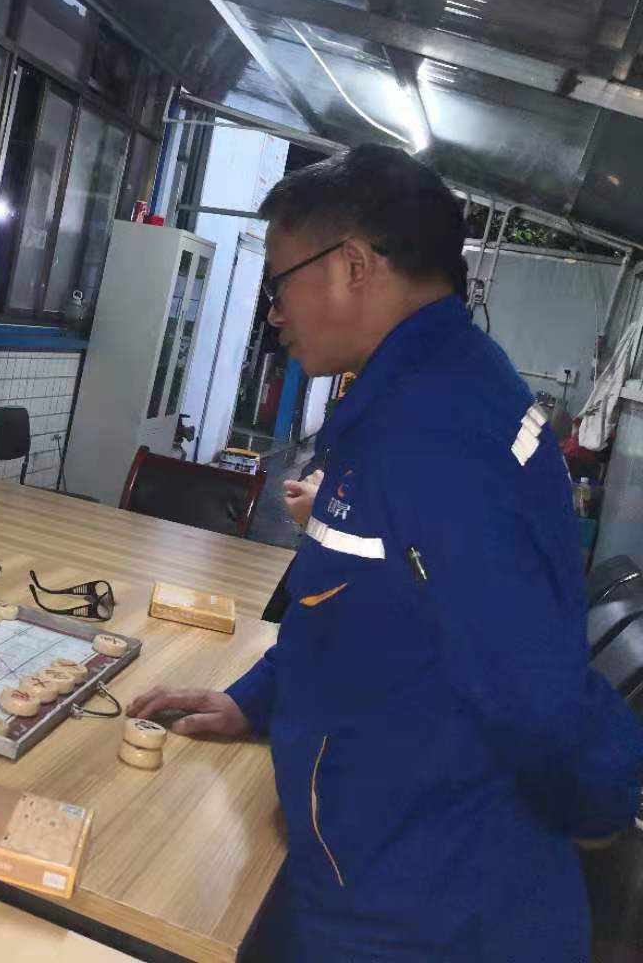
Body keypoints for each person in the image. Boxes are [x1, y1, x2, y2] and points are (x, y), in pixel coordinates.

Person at [128, 144, 643, 961]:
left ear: (353, 266)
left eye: (279, 284)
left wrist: (604, 809)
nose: (275, 314)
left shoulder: (438, 438)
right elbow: (350, 608)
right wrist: (254, 701)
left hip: (424, 912)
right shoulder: (413, 398)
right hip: (372, 865)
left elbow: (535, 699)